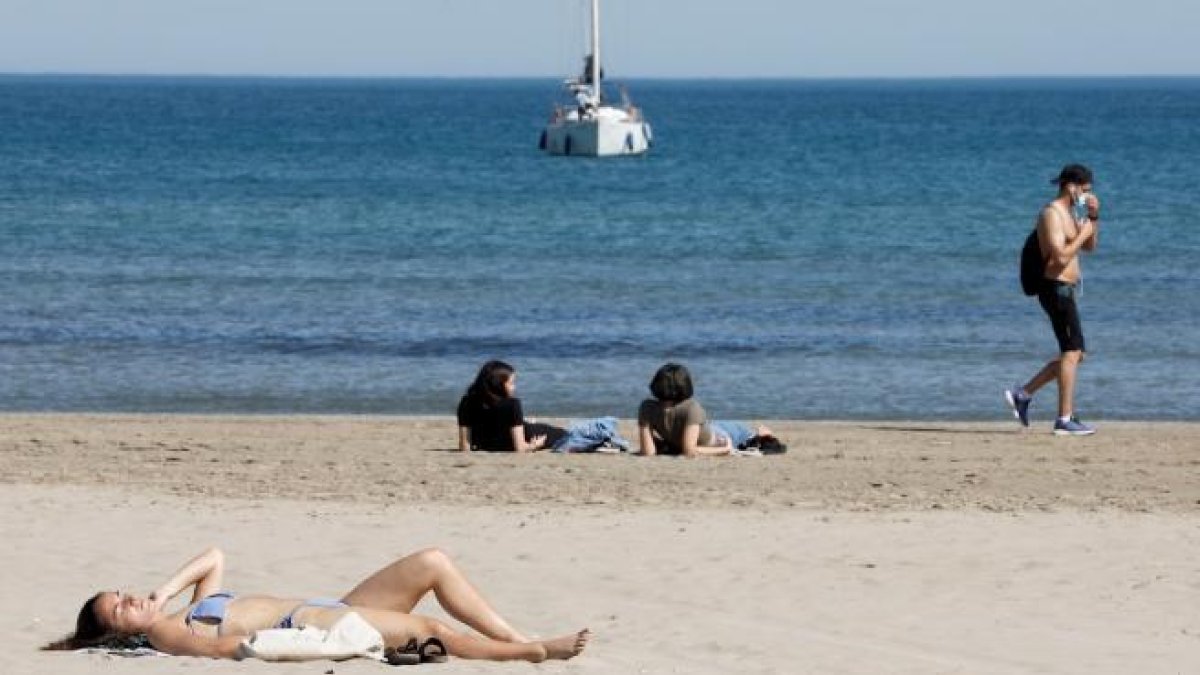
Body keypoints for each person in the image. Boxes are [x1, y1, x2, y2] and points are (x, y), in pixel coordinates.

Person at [43, 546, 589, 663]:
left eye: (122, 592)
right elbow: (232, 649)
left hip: (333, 603)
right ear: (119, 634)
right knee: (424, 626)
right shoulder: (167, 634)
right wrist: (307, 647)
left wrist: (163, 591)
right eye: (122, 609)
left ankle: (516, 636)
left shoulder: (180, 609)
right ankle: (527, 652)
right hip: (310, 622)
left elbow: (213, 556)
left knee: (433, 562)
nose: (131, 599)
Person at [1006, 164, 1101, 435]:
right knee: (1071, 352)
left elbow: (1090, 247)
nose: (1085, 195)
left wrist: (1093, 217)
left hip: (1067, 289)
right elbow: (1059, 257)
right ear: (1071, 186)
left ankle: (1023, 394)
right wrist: (1083, 232)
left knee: (1076, 353)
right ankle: (1064, 419)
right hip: (1055, 288)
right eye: (1084, 190)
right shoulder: (1051, 214)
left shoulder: (1072, 214)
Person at [636, 363, 777, 457]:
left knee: (748, 433)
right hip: (714, 434)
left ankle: (763, 432)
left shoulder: (647, 407)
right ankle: (761, 431)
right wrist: (725, 449)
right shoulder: (691, 408)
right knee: (739, 430)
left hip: (714, 431)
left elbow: (648, 451)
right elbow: (689, 451)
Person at [456, 360, 566, 452]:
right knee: (563, 434)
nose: (514, 387)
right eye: (511, 383)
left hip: (494, 441)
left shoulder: (467, 402)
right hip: (529, 434)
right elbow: (520, 448)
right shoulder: (512, 404)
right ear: (499, 385)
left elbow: (465, 447)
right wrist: (535, 445)